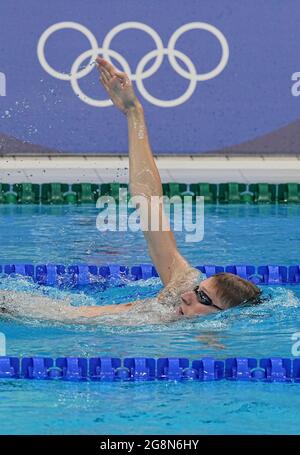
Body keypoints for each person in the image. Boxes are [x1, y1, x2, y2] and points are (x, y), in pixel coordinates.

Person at [0, 57, 261, 324]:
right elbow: (148, 202)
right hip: (20, 311)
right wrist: (134, 111)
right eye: (198, 291)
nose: (187, 296)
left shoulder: (199, 343)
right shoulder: (179, 286)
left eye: (203, 299)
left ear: (223, 319)